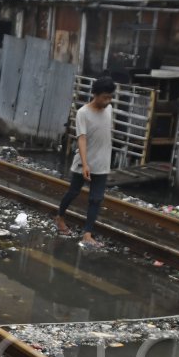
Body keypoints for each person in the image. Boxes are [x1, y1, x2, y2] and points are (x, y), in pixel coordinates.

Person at [56, 76, 116, 246]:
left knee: (96, 199)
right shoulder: (83, 113)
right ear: (95, 94)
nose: (107, 100)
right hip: (84, 163)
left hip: (102, 163)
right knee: (74, 192)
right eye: (105, 97)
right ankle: (60, 217)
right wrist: (85, 163)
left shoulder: (109, 109)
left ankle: (87, 234)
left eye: (110, 97)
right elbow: (81, 138)